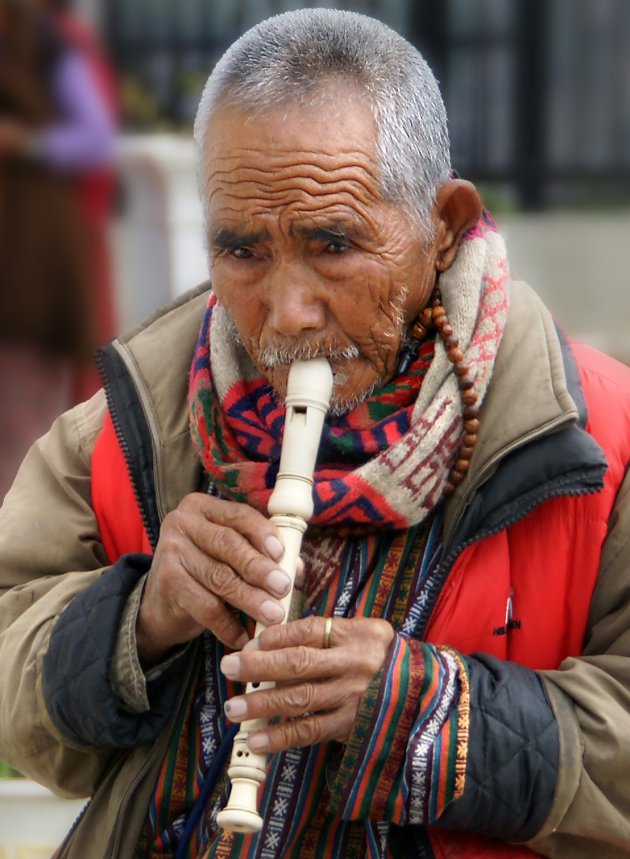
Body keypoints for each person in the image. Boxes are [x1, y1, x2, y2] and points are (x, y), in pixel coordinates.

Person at [1, 9, 630, 858]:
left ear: (442, 225)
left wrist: (433, 711)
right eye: (242, 251)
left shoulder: (601, 443)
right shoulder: (124, 430)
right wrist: (139, 616)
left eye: (332, 243)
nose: (287, 312)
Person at [0, 0, 116, 500]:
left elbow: (96, 139)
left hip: (30, 264)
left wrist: (24, 142)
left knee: (28, 430)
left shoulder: (45, 42)